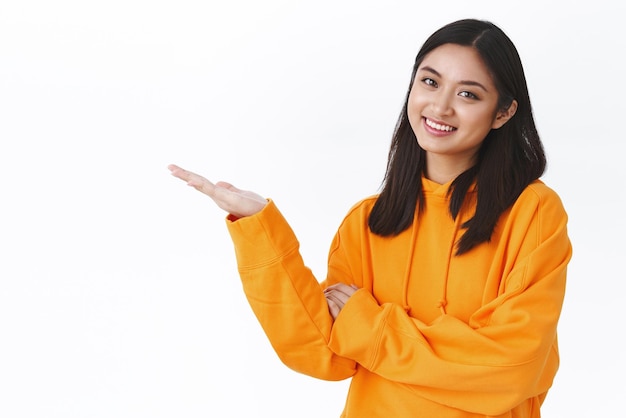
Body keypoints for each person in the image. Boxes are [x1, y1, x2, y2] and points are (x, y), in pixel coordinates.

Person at [168, 18, 572, 418]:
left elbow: (510, 369)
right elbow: (325, 354)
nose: (440, 106)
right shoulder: (367, 221)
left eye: (468, 94)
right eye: (429, 82)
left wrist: (373, 329)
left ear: (502, 113)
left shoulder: (533, 213)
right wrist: (259, 228)